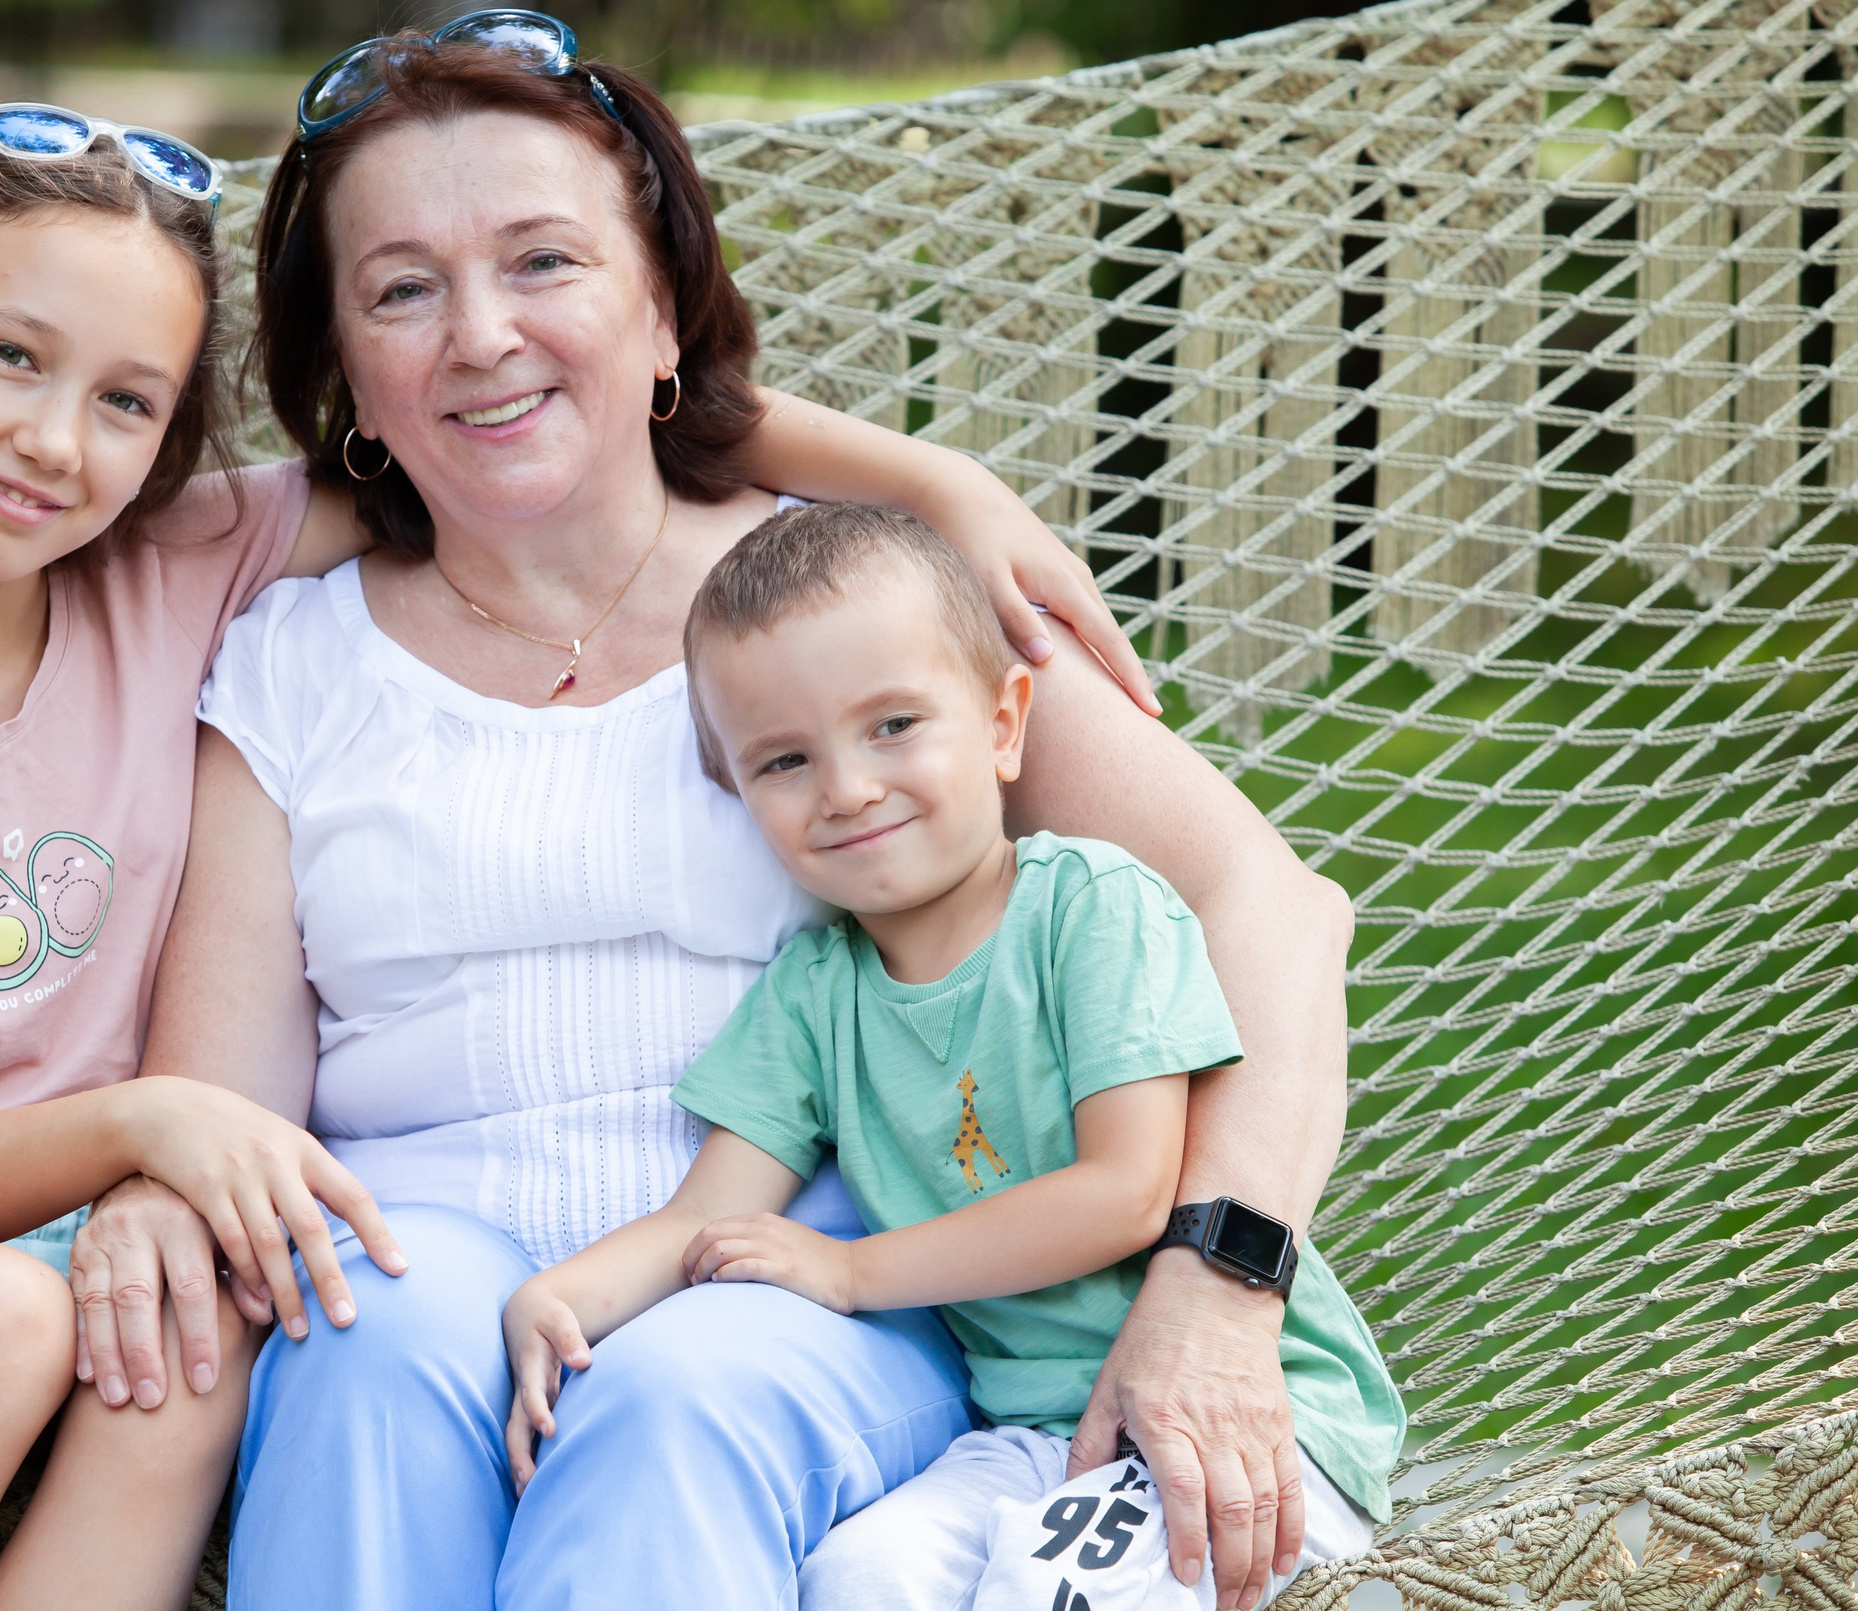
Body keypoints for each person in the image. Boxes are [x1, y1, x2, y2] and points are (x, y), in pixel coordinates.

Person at [0, 90, 1133, 1607]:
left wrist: (940, 482)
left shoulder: (157, 562)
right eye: (10, 356)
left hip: (128, 1239)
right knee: (16, 1319)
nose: (57, 442)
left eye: (128, 402)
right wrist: (156, 1127)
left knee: (187, 1353)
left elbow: (522, 419)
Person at [68, 13, 1358, 1611]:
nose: (479, 335)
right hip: (408, 1251)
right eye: (404, 289)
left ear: (663, 311)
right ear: (349, 385)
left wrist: (1220, 1278)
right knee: (366, 1353)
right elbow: (233, 1095)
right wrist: (149, 1182)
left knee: (674, 1402)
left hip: (804, 1271)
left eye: (544, 261)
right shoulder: (283, 666)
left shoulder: (852, 605)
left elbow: (1274, 910)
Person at [502, 502, 1403, 1611]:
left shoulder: (1089, 907)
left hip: (1252, 1424)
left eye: (891, 726)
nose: (846, 787)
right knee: (857, 1577)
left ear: (1002, 724)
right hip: (1035, 1434)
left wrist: (848, 1271)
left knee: (1045, 1588)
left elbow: (1124, 1194)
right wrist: (560, 1296)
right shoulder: (813, 997)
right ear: (739, 789)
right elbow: (706, 1219)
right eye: (784, 759)